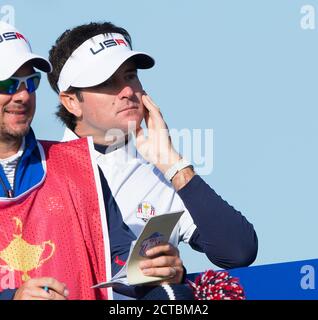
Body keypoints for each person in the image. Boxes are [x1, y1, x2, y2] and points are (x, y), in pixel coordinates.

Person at [47, 21, 258, 292]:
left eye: (130, 75)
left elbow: (238, 251)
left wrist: (173, 163)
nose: (126, 91)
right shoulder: (43, 169)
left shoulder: (161, 168)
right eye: (107, 82)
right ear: (71, 101)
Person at [0, 21, 186, 301]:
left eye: (31, 82)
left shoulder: (78, 164)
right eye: (8, 84)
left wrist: (153, 269)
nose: (23, 95)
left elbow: (115, 260)